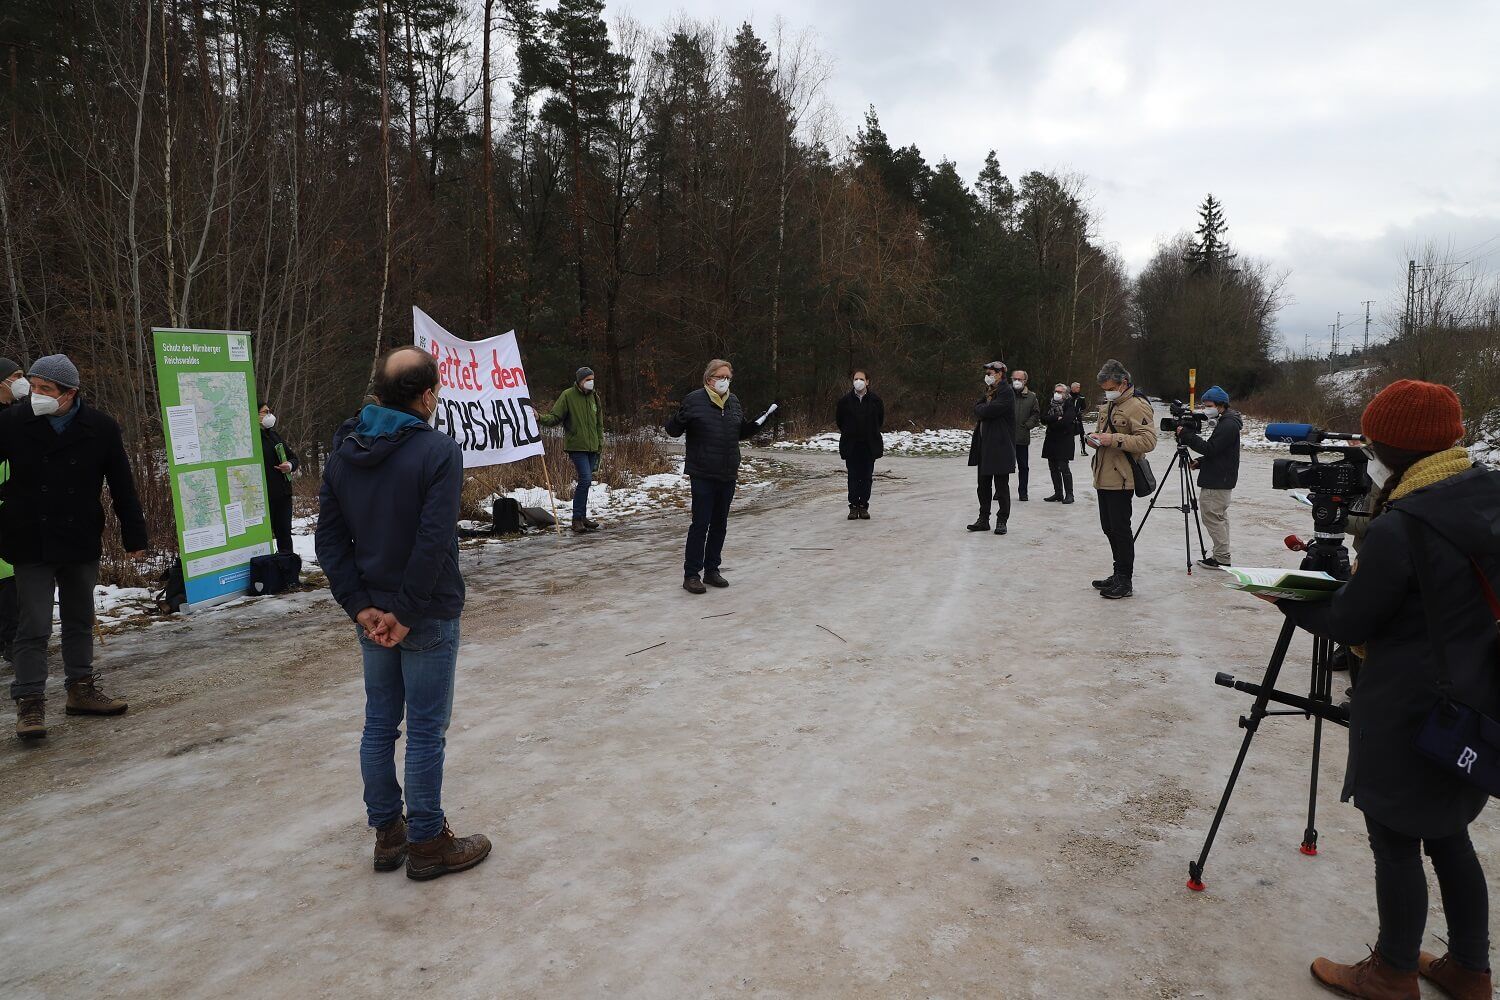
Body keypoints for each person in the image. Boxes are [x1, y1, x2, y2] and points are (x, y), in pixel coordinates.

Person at [1273, 380, 1498, 1000]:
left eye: (1375, 439)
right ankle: (1471, 970)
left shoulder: (1406, 524)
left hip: (1408, 703)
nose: (1368, 448)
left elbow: (1350, 622)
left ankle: (1393, 972)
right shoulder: (1484, 494)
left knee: (1396, 837)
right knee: (1450, 833)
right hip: (1473, 696)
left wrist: (1290, 598)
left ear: (1395, 447)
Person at [316, 345, 491, 881]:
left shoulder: (345, 448)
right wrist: (405, 613)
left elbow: (329, 541)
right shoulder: (437, 450)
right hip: (426, 613)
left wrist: (362, 607)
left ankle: (388, 833)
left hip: (375, 615)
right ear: (428, 395)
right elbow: (434, 539)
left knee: (378, 725)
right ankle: (426, 843)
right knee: (424, 732)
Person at [0, 355, 147, 740]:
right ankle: (30, 702)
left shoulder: (100, 428)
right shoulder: (12, 422)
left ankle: (80, 690)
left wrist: (135, 537)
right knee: (31, 624)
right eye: (32, 387)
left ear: (69, 393)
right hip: (30, 538)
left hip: (80, 537)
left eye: (45, 389)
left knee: (79, 619)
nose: (36, 395)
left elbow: (122, 486)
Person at [665, 359, 776, 594]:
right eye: (721, 376)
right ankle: (691, 574)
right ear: (709, 379)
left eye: (728, 377)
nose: (725, 381)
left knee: (720, 524)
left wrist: (759, 421)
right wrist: (679, 417)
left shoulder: (733, 401)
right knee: (701, 524)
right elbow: (673, 431)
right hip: (703, 472)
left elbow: (740, 432)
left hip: (727, 472)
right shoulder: (694, 400)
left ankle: (712, 570)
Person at [1088, 359, 1156, 599]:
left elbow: (1148, 442)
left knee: (1120, 529)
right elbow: (1105, 434)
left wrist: (1113, 440)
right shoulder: (1109, 404)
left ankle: (1125, 579)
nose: (1106, 392)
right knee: (1108, 528)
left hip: (1122, 477)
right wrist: (1094, 438)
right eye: (1104, 388)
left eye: (1109, 387)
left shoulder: (1136, 406)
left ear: (1123, 383)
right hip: (1103, 474)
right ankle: (1117, 573)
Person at [1178, 385, 1241, 570]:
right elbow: (1220, 452)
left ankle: (1221, 557)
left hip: (1218, 481)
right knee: (1218, 517)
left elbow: (1211, 448)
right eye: (1204, 405)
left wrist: (1187, 436)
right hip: (1219, 476)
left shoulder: (1228, 424)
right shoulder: (1227, 421)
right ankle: (1221, 554)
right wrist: (1202, 462)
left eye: (1209, 405)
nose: (1206, 409)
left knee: (1213, 518)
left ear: (1221, 404)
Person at [537, 367, 605, 534]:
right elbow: (555, 417)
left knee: (587, 481)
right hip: (576, 446)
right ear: (580, 381)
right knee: (585, 479)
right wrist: (540, 418)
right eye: (588, 379)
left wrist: (600, 443)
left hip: (592, 447)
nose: (591, 382)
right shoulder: (568, 395)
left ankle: (582, 517)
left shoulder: (594, 397)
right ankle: (576, 519)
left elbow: (599, 423)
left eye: (593, 378)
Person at [966, 361, 1016, 536]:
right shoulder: (988, 392)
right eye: (987, 372)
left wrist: (982, 409)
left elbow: (989, 411)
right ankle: (983, 519)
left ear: (1001, 373)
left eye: (991, 372)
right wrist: (982, 408)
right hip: (984, 445)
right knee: (983, 485)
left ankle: (1002, 520)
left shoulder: (1006, 392)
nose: (988, 375)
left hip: (1000, 446)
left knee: (1001, 487)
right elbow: (977, 408)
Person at [0, 357, 28, 663]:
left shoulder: (18, 413)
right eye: (17, 376)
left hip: (19, 504)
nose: (22, 380)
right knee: (7, 576)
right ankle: (10, 640)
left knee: (15, 576)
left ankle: (14, 636)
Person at [835, 368, 884, 520]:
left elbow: (880, 421)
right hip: (852, 445)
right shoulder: (844, 401)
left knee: (867, 477)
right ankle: (853, 506)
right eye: (856, 379)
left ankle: (863, 506)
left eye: (861, 379)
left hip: (869, 445)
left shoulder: (876, 401)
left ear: (867, 382)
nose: (858, 382)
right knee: (853, 477)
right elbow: (840, 421)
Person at [258, 403, 300, 555]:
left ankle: (287, 569)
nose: (269, 414)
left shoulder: (275, 435)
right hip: (265, 498)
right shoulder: (253, 439)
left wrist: (289, 465)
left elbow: (293, 458)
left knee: (285, 535)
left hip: (283, 495)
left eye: (269, 411)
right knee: (263, 538)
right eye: (265, 411)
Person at [1040, 383, 1078, 504]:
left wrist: (1052, 422)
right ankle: (1058, 493)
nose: (1057, 393)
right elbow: (1043, 418)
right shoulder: (1050, 403)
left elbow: (1066, 421)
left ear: (1065, 394)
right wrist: (1056, 418)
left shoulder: (1069, 404)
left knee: (1064, 467)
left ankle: (1069, 494)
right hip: (1051, 440)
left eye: (1060, 392)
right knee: (1053, 468)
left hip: (1064, 440)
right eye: (1056, 391)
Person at [1011, 370, 1041, 501]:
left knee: (1023, 466)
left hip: (1022, 438)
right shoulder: (1005, 394)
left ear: (1025, 381)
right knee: (1002, 466)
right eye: (1014, 378)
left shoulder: (1031, 397)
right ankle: (1001, 491)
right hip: (1005, 437)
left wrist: (1027, 425)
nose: (1017, 381)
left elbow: (1036, 414)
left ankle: (1023, 492)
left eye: (1020, 379)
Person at [1070, 382, 1090, 456]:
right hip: (1069, 418)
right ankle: (1070, 451)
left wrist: (1079, 411)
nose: (1079, 388)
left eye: (1079, 387)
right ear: (1073, 388)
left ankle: (1083, 450)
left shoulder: (1081, 397)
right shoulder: (1068, 396)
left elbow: (1083, 407)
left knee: (1082, 433)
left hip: (1078, 417)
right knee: (1070, 434)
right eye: (1077, 387)